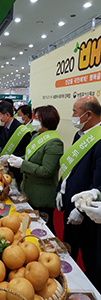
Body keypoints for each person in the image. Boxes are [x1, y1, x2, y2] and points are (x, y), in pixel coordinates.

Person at [56, 95, 101, 289]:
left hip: (89, 216)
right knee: (66, 254)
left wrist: (81, 209)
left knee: (92, 261)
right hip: (69, 209)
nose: (72, 116)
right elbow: (71, 168)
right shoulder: (80, 134)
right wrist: (61, 189)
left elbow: (98, 184)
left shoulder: (99, 141)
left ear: (88, 114)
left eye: (75, 111)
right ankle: (65, 287)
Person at [8, 105, 64, 234]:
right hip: (28, 189)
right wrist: (13, 159)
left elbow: (46, 171)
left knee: (44, 230)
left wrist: (22, 164)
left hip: (41, 196)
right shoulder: (36, 136)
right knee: (29, 227)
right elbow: (29, 157)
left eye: (37, 118)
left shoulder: (54, 143)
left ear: (46, 121)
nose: (34, 121)